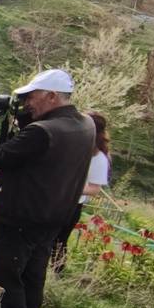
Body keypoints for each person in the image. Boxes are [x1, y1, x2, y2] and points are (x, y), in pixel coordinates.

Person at [0, 68, 95, 308]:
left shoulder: (43, 131)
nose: (27, 102)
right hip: (52, 217)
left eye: (32, 96)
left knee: (2, 277)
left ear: (51, 96)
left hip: (19, 216)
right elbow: (43, 156)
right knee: (32, 275)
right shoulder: (86, 124)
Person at [51, 111, 111, 275]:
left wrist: (68, 186)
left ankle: (56, 274)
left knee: (58, 242)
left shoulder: (99, 158)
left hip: (70, 205)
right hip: (51, 199)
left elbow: (94, 189)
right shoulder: (73, 146)